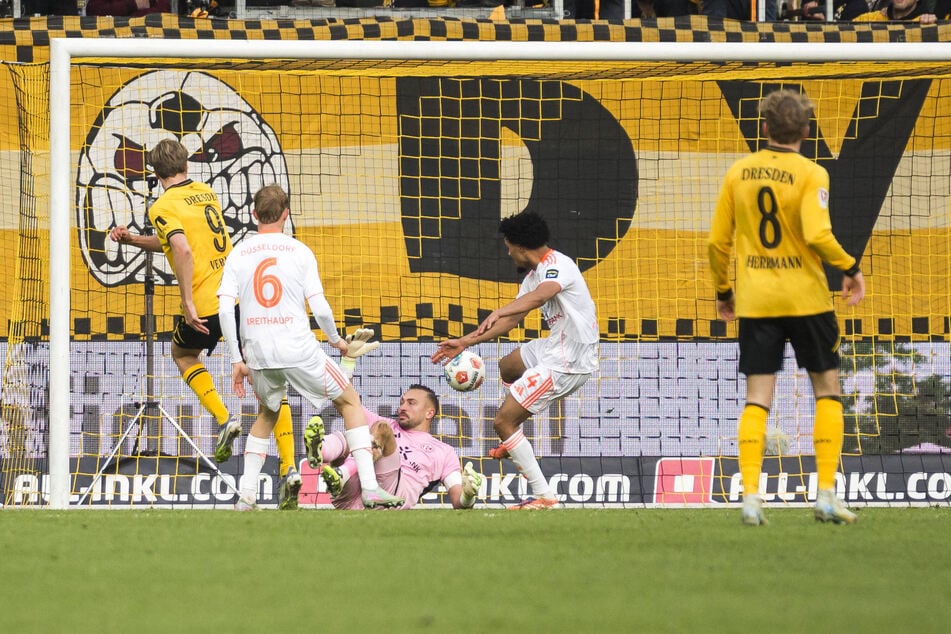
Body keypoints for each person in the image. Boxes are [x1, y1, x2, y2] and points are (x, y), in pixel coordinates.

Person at [108, 139, 301, 509]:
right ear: (186, 165)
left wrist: (187, 299)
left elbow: (181, 249)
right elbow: (171, 241)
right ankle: (291, 468)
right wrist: (134, 240)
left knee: (182, 353)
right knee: (271, 386)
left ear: (154, 172)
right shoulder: (205, 192)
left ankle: (224, 417)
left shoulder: (162, 205)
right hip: (243, 298)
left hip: (209, 304)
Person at [707, 89, 866, 526]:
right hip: (807, 299)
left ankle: (752, 498)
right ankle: (827, 495)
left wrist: (724, 291)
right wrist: (850, 266)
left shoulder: (738, 173)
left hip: (757, 302)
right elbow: (817, 236)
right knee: (827, 390)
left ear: (764, 128)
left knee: (757, 399)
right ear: (807, 131)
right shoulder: (812, 174)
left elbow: (717, 243)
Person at [217, 183, 404, 510]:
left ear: (253, 215)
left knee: (266, 412)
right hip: (298, 349)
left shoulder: (238, 253)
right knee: (349, 402)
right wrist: (337, 343)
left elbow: (223, 308)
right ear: (286, 215)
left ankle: (246, 495)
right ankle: (371, 488)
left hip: (257, 352)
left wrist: (236, 358)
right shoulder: (299, 251)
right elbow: (320, 309)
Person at [430, 210, 599, 510]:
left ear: (520, 245)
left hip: (568, 362)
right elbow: (512, 320)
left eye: (508, 246)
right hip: (553, 347)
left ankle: (544, 495)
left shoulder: (558, 265)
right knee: (508, 365)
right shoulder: (534, 275)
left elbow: (539, 298)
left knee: (502, 421)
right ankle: (514, 438)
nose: (507, 252)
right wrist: (465, 342)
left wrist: (500, 310)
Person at [312, 383, 483, 510]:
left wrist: (467, 496)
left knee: (381, 430)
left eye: (411, 403)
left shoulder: (444, 451)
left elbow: (457, 501)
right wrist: (348, 359)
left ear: (429, 413)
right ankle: (320, 451)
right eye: (402, 402)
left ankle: (342, 471)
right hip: (350, 494)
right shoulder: (385, 422)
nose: (402, 407)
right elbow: (345, 401)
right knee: (355, 433)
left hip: (392, 497)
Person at [85, 0, 171, 15]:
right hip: (115, 42)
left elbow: (165, 11)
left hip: (152, 42)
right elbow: (94, 10)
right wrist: (132, 4)